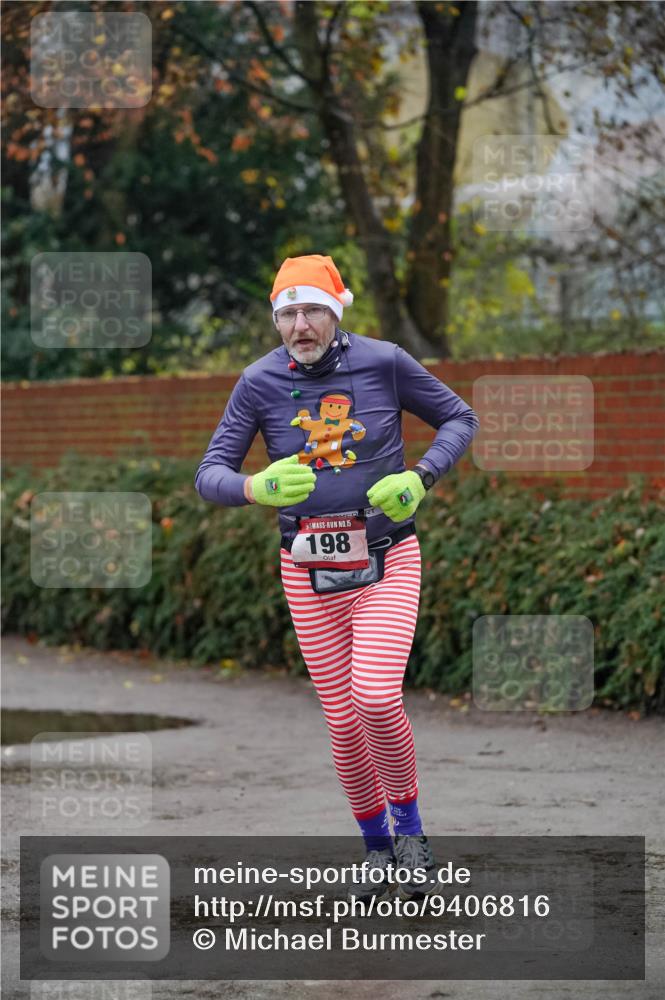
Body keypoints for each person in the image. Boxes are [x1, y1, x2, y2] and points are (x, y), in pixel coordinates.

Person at [195, 254, 479, 904]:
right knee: (344, 724)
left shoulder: (383, 362)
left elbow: (460, 418)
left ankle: (411, 837)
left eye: (312, 309)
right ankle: (376, 851)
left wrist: (419, 477)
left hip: (386, 559)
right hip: (308, 572)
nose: (300, 324)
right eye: (288, 313)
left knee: (375, 699)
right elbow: (209, 472)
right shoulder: (258, 381)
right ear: (277, 320)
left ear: (336, 311)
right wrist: (254, 485)